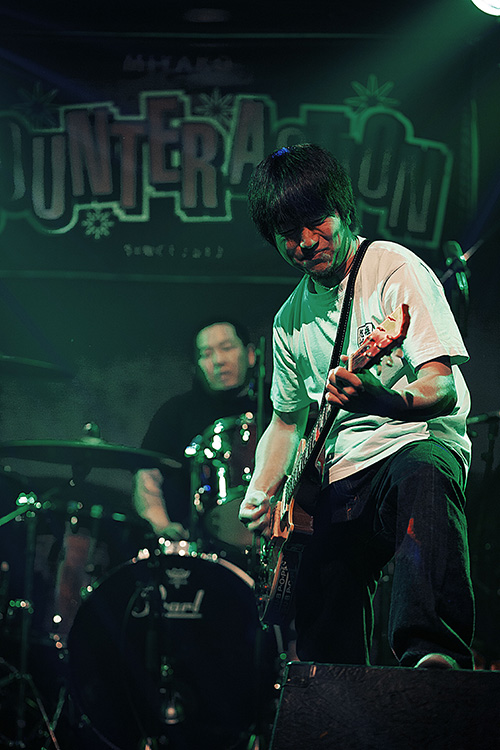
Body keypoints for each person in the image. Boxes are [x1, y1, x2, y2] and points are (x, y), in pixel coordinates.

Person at [239, 143, 475, 670]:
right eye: (288, 233)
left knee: (425, 475)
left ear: (343, 210)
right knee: (321, 586)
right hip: (346, 469)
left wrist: (383, 399)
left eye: (316, 222)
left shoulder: (393, 268)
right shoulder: (288, 321)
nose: (305, 242)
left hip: (415, 441)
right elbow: (286, 422)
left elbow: (441, 389)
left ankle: (432, 655)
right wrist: (261, 490)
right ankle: (334, 691)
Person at [133, 319, 263, 560]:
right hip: (195, 551)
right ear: (195, 366)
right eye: (206, 354)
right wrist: (162, 527)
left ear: (251, 354)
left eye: (227, 348)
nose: (218, 360)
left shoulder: (278, 407)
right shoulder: (175, 412)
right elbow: (147, 475)